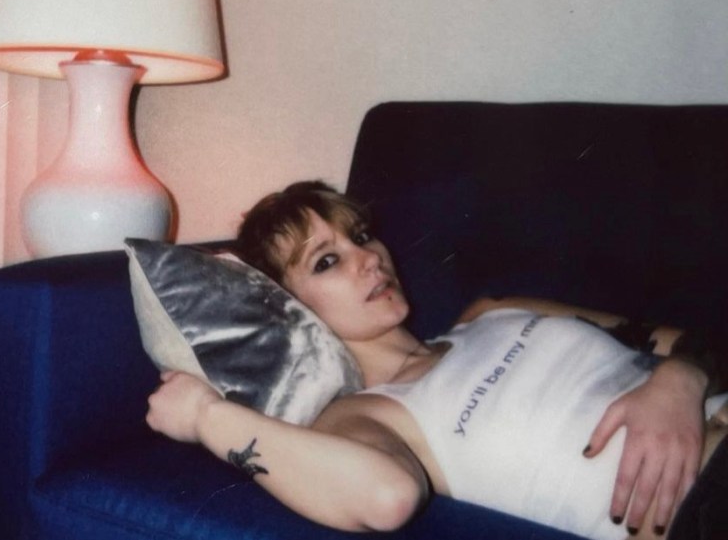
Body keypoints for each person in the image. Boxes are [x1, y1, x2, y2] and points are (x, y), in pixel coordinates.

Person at [146, 181, 728, 540]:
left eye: (360, 236)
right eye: (327, 261)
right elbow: (385, 497)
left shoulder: (494, 312)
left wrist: (681, 379)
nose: (370, 258)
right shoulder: (366, 415)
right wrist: (204, 418)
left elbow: (691, 343)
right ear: (289, 309)